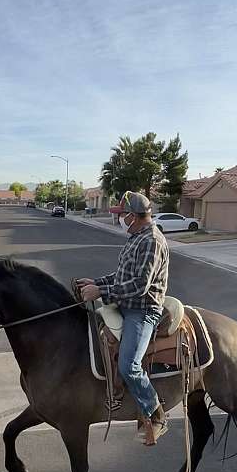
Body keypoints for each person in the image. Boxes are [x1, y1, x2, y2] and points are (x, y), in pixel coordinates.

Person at [78, 191, 170, 446]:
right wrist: (96, 282)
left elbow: (140, 285)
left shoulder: (151, 240)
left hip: (142, 310)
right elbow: (121, 275)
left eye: (123, 215)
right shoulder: (136, 237)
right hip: (125, 303)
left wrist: (101, 292)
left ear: (134, 216)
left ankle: (155, 412)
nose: (120, 219)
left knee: (129, 365)